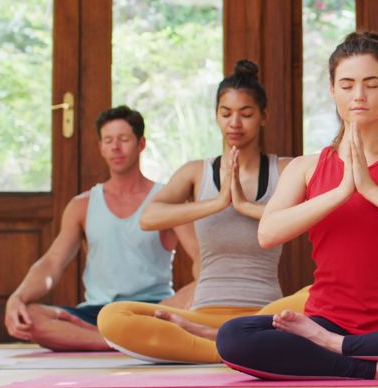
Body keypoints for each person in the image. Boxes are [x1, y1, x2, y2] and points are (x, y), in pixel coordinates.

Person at [215, 32, 378, 380]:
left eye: (371, 84)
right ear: (332, 90)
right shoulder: (306, 168)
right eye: (347, 85)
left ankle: (341, 350)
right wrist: (341, 191)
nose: (358, 95)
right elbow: (268, 233)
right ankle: (371, 365)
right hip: (325, 321)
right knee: (234, 337)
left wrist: (370, 189)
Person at [97, 60, 310, 363]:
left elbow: (309, 218)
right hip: (203, 314)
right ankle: (230, 350)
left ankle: (230, 345)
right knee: (113, 316)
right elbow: (148, 218)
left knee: (316, 295)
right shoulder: (195, 172)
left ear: (263, 116)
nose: (234, 123)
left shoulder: (285, 169)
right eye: (226, 113)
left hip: (264, 315)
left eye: (246, 114)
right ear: (216, 117)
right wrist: (216, 202)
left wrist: (245, 206)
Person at [4, 106, 197, 351]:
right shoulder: (81, 205)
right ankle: (118, 341)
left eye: (124, 139)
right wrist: (17, 296)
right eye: (108, 140)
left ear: (141, 144)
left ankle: (116, 338)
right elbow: (52, 262)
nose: (116, 147)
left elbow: (204, 261)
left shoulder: (166, 200)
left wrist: (183, 298)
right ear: (101, 148)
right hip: (97, 314)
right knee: (31, 315)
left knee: (202, 290)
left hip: (152, 309)